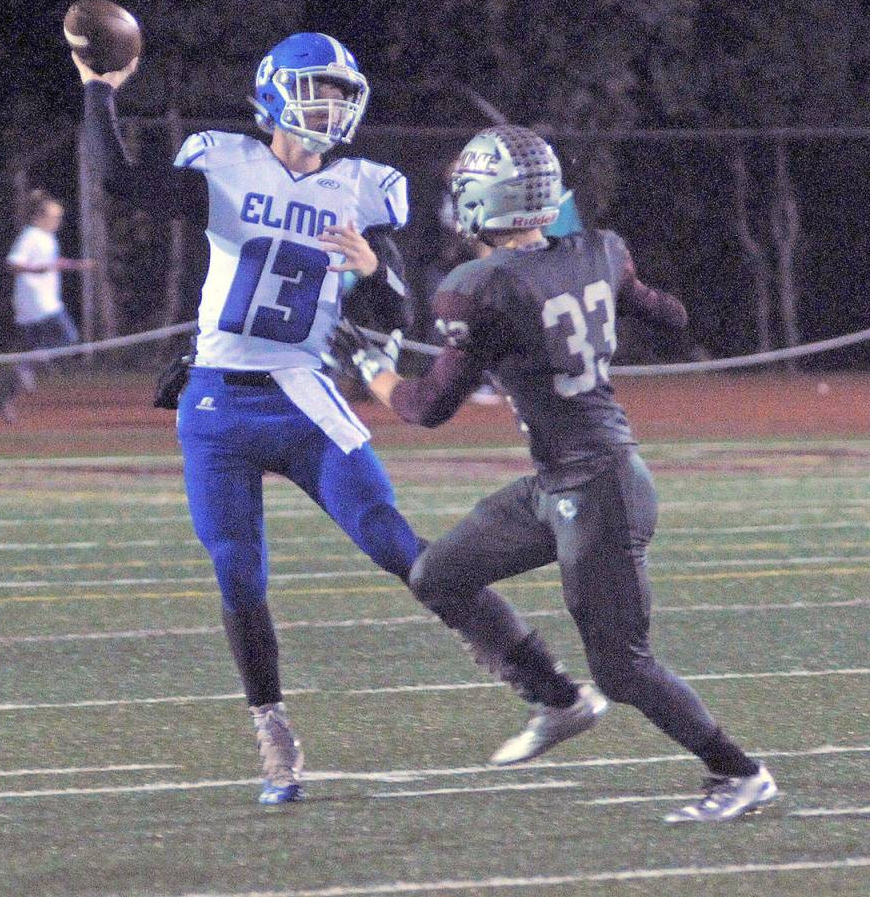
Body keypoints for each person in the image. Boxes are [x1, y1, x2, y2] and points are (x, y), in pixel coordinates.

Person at [74, 31, 522, 806]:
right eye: (320, 90)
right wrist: (99, 88)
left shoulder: (362, 188)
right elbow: (118, 180)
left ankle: (526, 665)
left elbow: (393, 313)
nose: (333, 108)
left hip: (301, 392)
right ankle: (271, 726)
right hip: (217, 399)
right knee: (237, 569)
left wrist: (373, 271)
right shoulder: (225, 164)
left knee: (392, 540)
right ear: (276, 91)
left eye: (344, 95)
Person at [326, 125, 778, 824]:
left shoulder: (479, 288)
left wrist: (371, 368)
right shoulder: (602, 252)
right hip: (562, 482)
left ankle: (739, 773)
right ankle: (556, 700)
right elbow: (672, 315)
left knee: (623, 668)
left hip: (598, 490)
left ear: (480, 202)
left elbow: (425, 408)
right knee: (438, 574)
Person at [0, 189, 93, 423]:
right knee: (67, 336)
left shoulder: (46, 238)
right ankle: (26, 370)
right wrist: (36, 270)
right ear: (39, 217)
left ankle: (2, 396)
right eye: (54, 217)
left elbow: (51, 263)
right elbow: (13, 263)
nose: (58, 222)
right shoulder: (31, 236)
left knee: (33, 356)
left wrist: (75, 265)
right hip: (38, 302)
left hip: (38, 303)